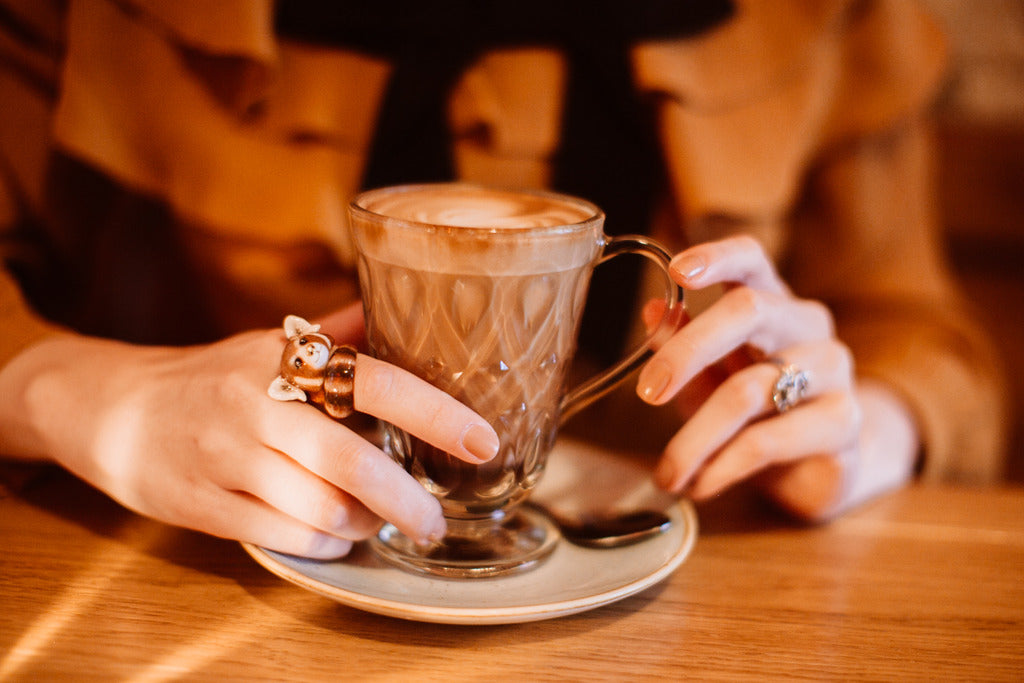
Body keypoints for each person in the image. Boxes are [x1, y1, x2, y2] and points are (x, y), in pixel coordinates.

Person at [0, 0, 1008, 559]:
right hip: (212, 581)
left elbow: (921, 329)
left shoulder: (817, 16)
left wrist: (861, 421)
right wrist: (81, 391)